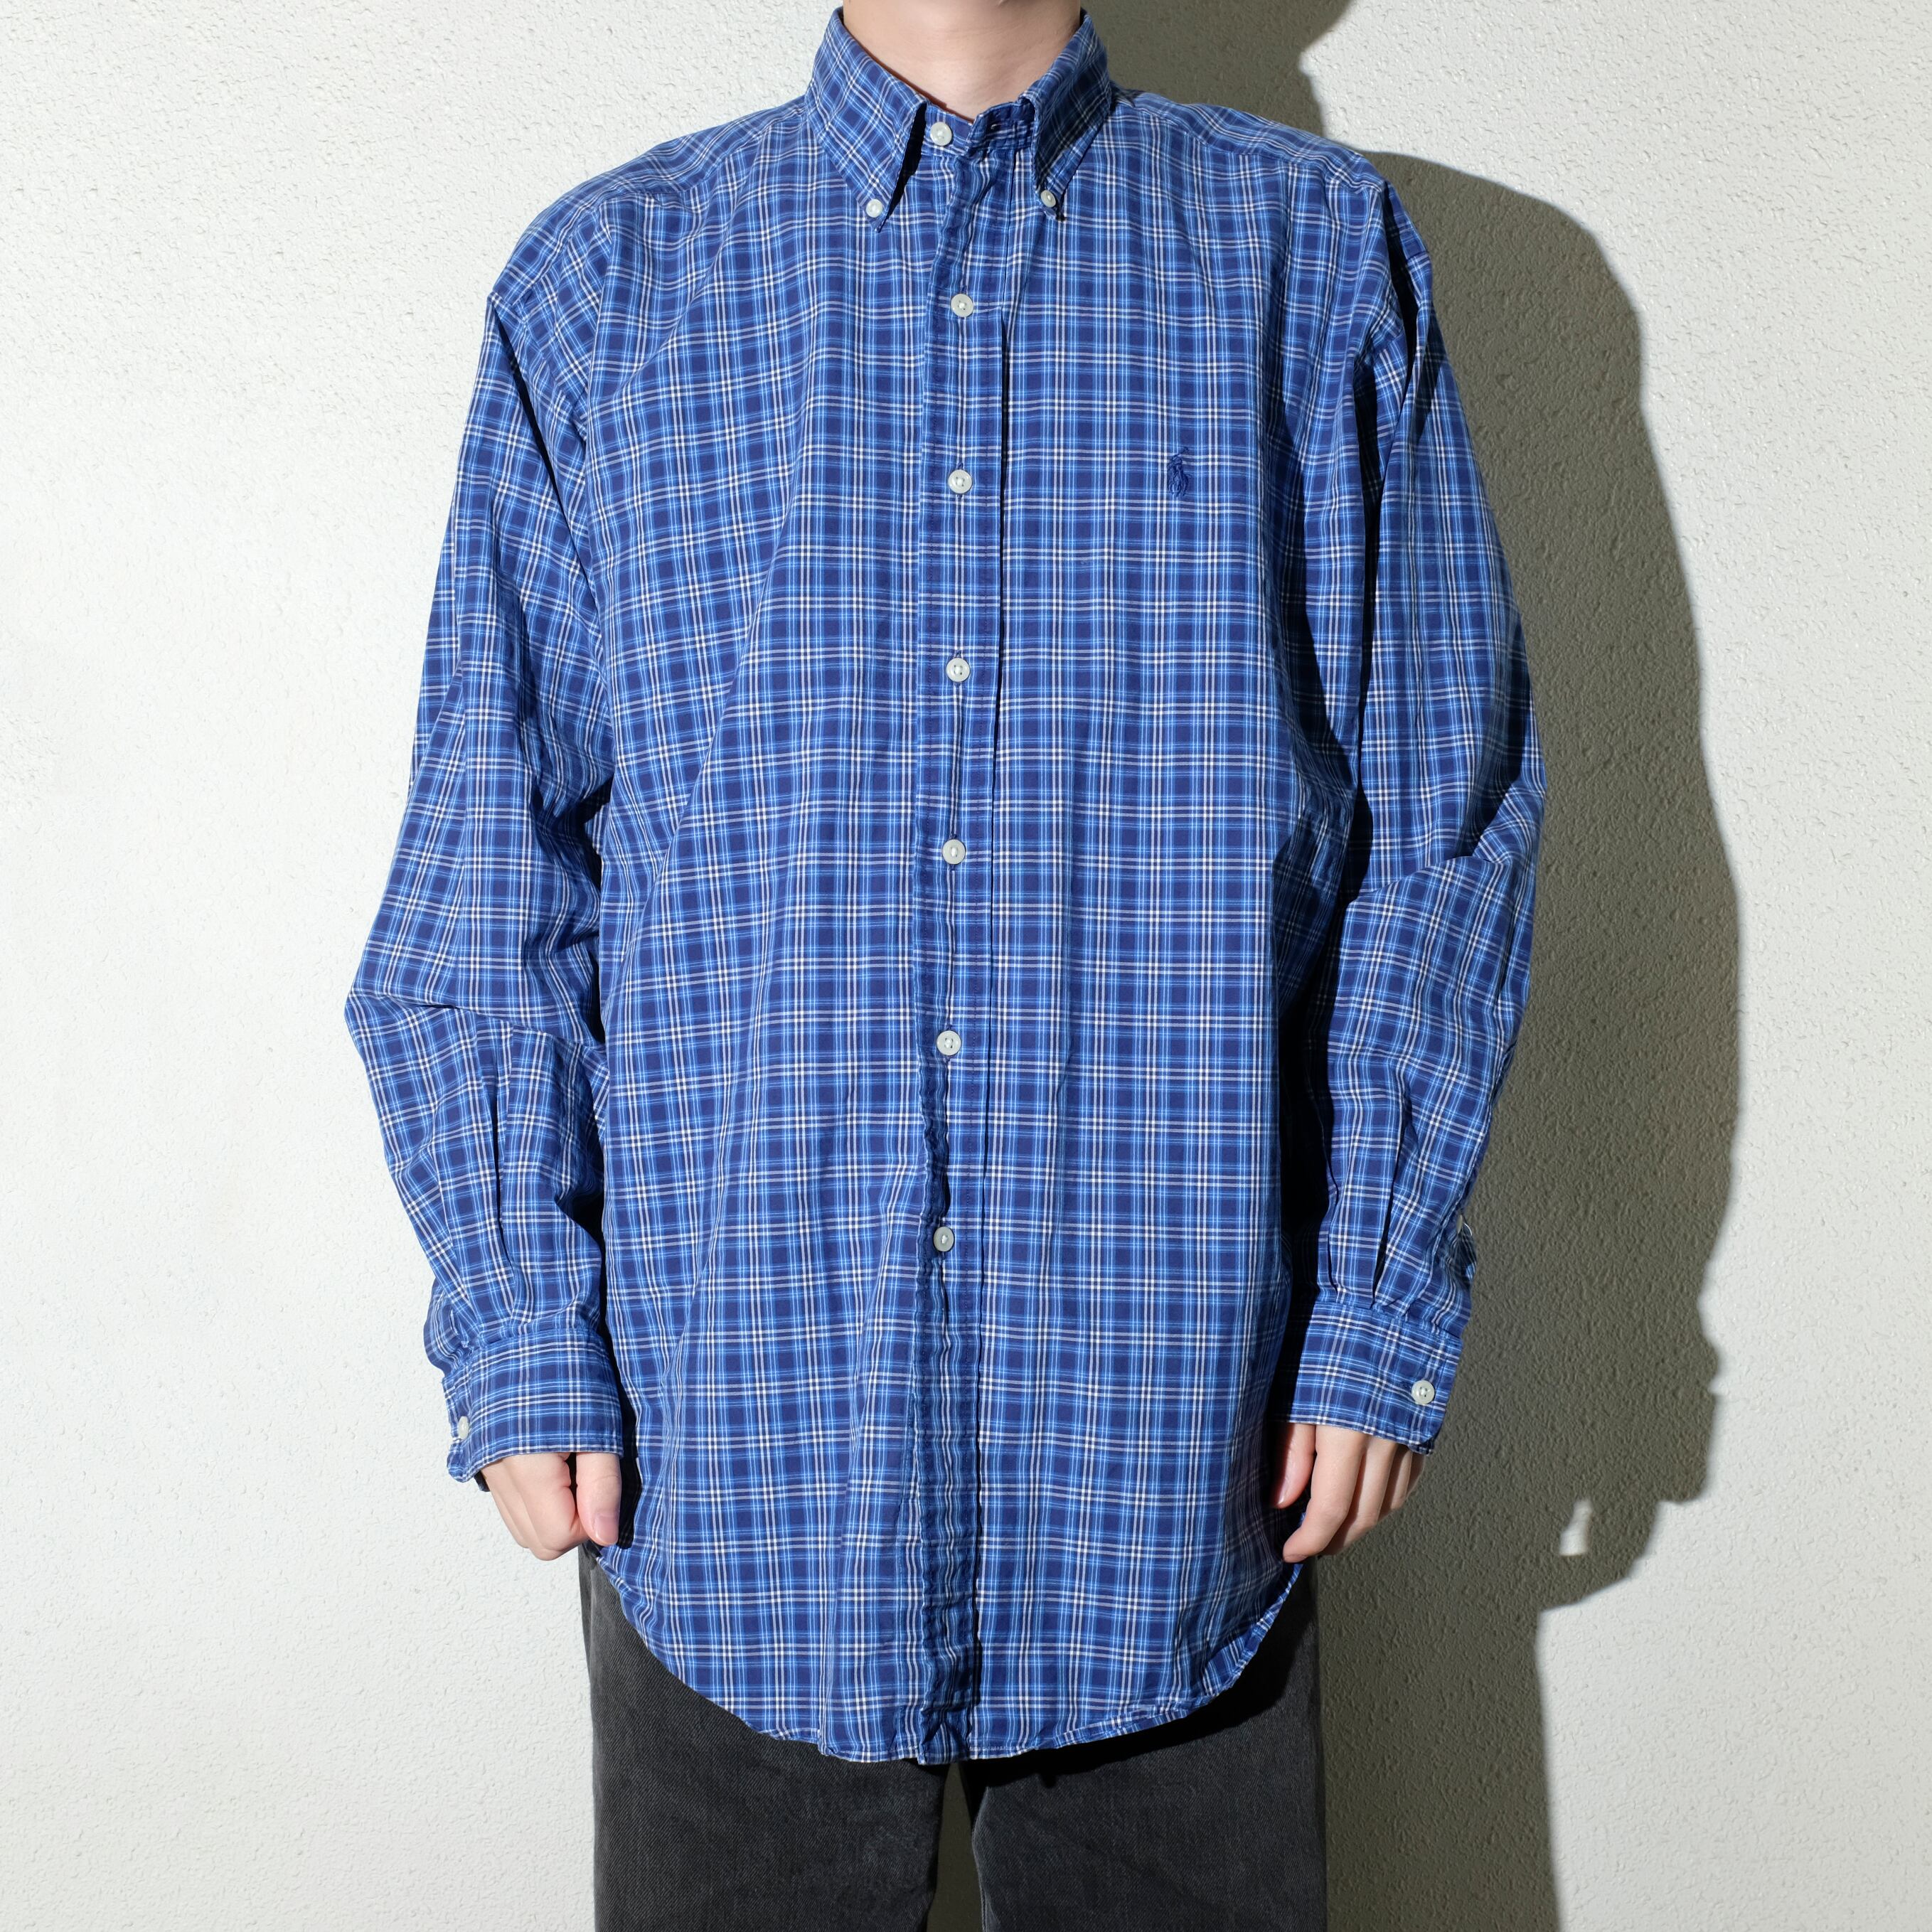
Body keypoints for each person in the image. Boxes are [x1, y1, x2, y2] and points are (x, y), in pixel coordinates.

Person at [343, 3, 1546, 1925]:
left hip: (1182, 1462)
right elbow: (489, 867)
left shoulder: (1312, 255)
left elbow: (1439, 822)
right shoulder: (610, 283)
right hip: (733, 1474)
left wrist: (1378, 1300)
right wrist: (516, 1323)